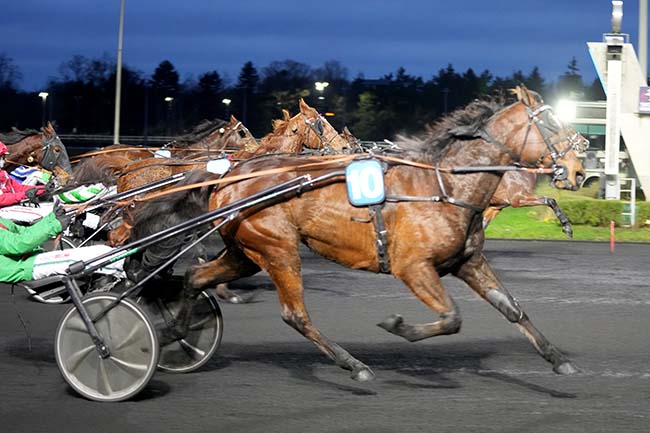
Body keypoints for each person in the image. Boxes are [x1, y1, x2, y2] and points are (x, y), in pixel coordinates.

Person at [0, 206, 124, 283]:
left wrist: (52, 218)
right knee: (90, 258)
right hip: (24, 266)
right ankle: (125, 266)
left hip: (31, 257)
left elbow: (25, 232)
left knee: (99, 250)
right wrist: (56, 225)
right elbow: (19, 245)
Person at [0, 140, 47, 207]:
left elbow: (19, 188)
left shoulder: (3, 173)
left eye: (3, 157)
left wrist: (43, 189)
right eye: (1, 157)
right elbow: (1, 199)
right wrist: (25, 194)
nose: (4, 160)